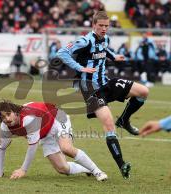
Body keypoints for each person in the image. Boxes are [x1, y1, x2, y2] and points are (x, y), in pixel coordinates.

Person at [57, 11, 149, 179]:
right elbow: (61, 53)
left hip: (106, 83)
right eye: (101, 26)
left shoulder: (105, 39)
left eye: (107, 26)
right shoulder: (85, 40)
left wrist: (114, 56)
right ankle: (122, 165)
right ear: (94, 25)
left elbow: (105, 50)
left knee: (143, 91)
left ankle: (124, 120)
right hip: (91, 89)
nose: (104, 29)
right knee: (108, 124)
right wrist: (80, 68)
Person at [0, 101, 108, 181]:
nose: (6, 119)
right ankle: (86, 168)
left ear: (16, 112)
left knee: (66, 148)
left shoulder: (29, 119)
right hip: (45, 133)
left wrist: (23, 170)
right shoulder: (5, 127)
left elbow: (32, 147)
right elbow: (1, 148)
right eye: (2, 117)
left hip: (58, 118)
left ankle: (98, 172)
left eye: (8, 114)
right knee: (62, 169)